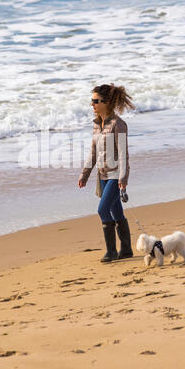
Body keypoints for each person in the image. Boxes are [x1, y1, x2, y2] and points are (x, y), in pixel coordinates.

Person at [78, 83, 135, 263]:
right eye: (92, 100)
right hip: (101, 175)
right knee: (116, 212)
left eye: (96, 101)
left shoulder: (119, 124)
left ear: (107, 102)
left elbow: (124, 153)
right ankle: (126, 250)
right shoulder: (96, 125)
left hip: (115, 175)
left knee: (102, 209)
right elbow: (93, 153)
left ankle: (111, 252)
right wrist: (84, 174)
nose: (92, 104)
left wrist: (123, 178)